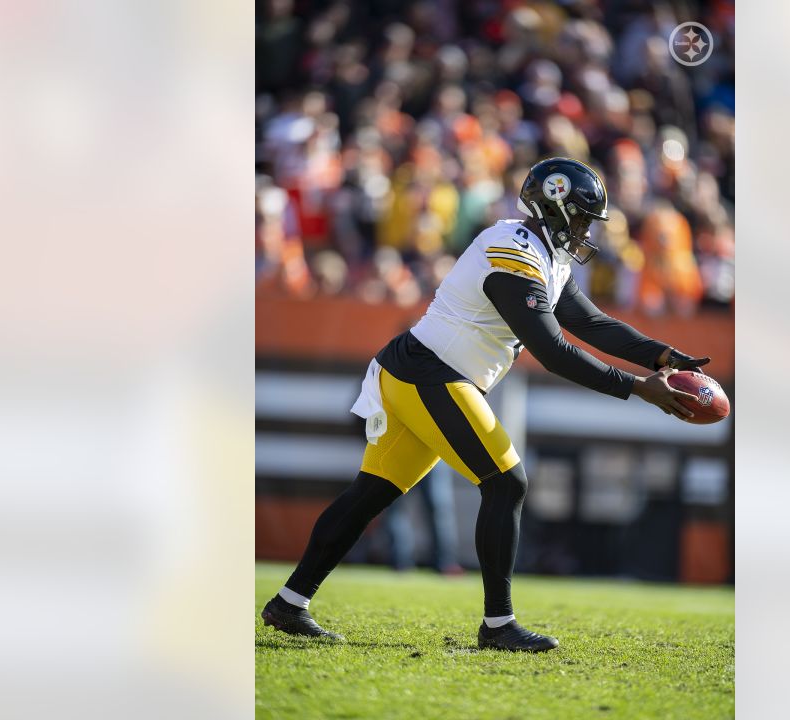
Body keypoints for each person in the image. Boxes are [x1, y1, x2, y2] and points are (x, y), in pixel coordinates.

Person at [261, 157, 710, 652]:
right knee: (506, 482)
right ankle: (499, 625)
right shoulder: (512, 250)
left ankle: (289, 603)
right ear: (554, 207)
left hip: (421, 372)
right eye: (581, 216)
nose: (586, 229)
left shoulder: (547, 254)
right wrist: (640, 388)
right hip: (430, 374)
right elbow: (554, 352)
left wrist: (664, 355)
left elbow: (593, 323)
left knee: (369, 496)